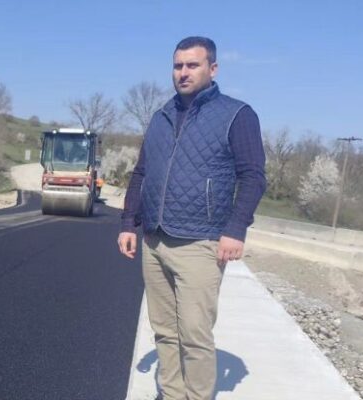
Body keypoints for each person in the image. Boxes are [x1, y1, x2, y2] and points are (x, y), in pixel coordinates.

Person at [117, 36, 266, 400]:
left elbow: (253, 176)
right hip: (155, 239)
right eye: (178, 65)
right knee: (165, 331)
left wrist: (235, 229)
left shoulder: (237, 115)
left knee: (195, 334)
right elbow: (141, 173)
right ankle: (171, 394)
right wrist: (128, 223)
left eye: (192, 65)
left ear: (212, 69)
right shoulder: (161, 117)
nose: (183, 72)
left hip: (201, 242)